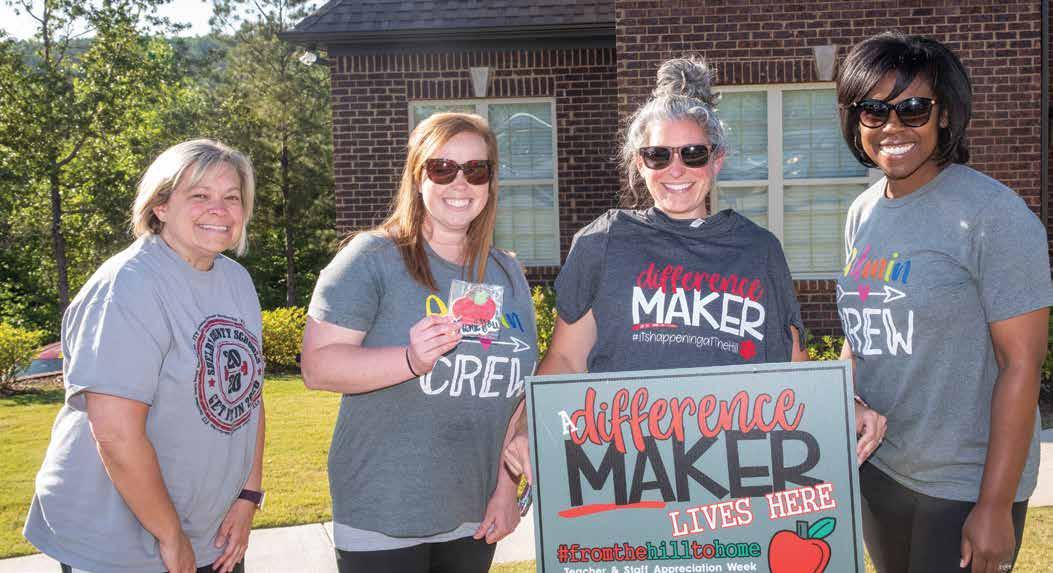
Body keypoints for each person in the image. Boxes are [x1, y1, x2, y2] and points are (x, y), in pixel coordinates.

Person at [504, 56, 887, 482]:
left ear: (717, 160)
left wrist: (845, 405)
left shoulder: (758, 250)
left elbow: (792, 367)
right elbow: (565, 358)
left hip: (733, 478)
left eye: (693, 154)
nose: (676, 170)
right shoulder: (604, 242)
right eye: (658, 155)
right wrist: (529, 424)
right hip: (627, 478)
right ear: (639, 163)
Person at [835, 32, 1052, 573]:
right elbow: (861, 332)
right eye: (874, 110)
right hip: (881, 471)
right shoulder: (863, 212)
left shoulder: (992, 214)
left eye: (913, 109)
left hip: (963, 485)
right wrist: (846, 399)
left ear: (946, 115)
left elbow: (1021, 365)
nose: (892, 126)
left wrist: (994, 506)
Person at [300, 112, 538, 573]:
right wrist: (409, 359)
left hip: (472, 514)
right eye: (442, 168)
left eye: (476, 169)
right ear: (417, 176)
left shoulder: (507, 273)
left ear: (490, 183)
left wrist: (507, 488)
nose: (460, 183)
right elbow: (317, 366)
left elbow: (517, 394)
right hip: (384, 513)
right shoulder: (372, 258)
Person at [23, 139, 266, 573]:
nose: (219, 209)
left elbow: (247, 398)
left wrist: (248, 495)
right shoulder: (129, 286)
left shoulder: (236, 281)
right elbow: (115, 433)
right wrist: (170, 536)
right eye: (200, 195)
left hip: (211, 534)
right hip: (123, 543)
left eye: (232, 197)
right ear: (160, 206)